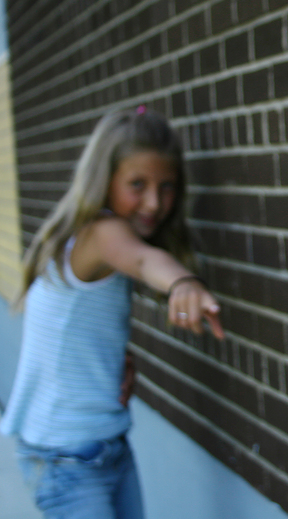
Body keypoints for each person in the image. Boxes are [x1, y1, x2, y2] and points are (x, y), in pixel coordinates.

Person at [1, 107, 225, 519]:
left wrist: (108, 360)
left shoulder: (93, 239)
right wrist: (183, 283)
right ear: (104, 181)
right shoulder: (103, 235)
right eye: (137, 184)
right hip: (67, 462)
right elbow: (143, 260)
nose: (154, 202)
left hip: (106, 447)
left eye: (166, 187)